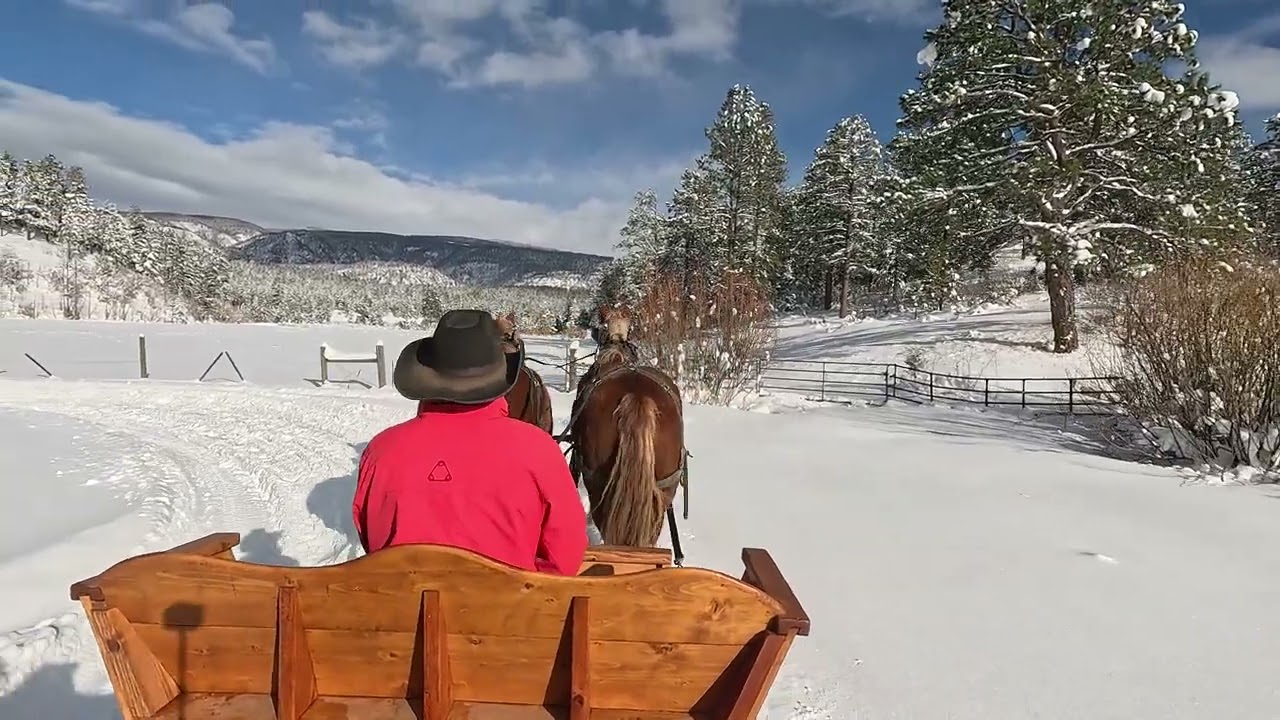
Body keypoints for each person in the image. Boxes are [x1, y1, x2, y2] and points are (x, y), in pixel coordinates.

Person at [352, 309, 587, 575]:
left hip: (402, 610)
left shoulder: (380, 451)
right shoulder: (539, 449)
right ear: (499, 375)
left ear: (426, 375)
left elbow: (372, 541)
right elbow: (566, 555)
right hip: (511, 610)